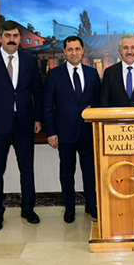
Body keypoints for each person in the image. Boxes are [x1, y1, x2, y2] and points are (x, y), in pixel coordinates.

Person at [0, 20, 43, 231]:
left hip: (24, 122)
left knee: (26, 168)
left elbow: (38, 92)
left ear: (20, 38)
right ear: (0, 37)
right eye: (7, 36)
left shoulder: (30, 60)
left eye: (15, 36)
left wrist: (38, 119)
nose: (11, 40)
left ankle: (28, 208)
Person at [44, 36, 100, 223]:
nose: (74, 53)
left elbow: (98, 104)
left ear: (83, 51)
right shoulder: (54, 74)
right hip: (64, 133)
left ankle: (91, 205)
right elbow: (48, 105)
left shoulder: (92, 74)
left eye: (77, 49)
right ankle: (69, 208)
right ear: (64, 52)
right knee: (67, 173)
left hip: (88, 133)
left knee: (90, 172)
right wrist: (51, 132)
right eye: (70, 49)